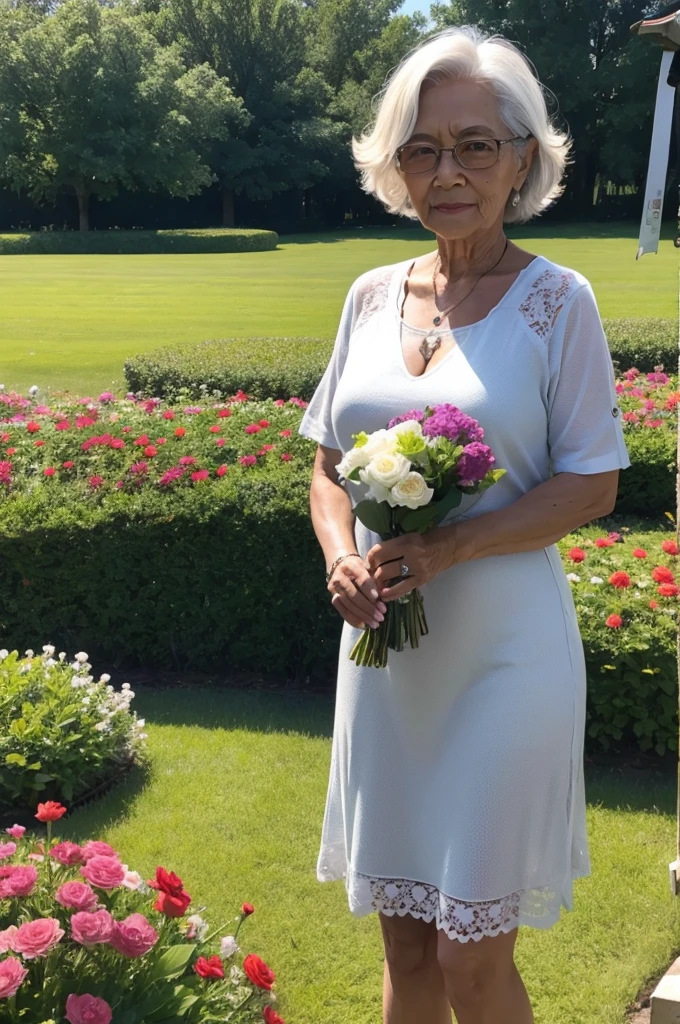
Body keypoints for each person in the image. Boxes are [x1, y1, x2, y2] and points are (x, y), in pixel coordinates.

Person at [298, 24, 630, 1024]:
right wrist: (341, 556)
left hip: (503, 661)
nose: (447, 172)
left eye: (474, 145)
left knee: (469, 958)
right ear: (394, 165)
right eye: (422, 148)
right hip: (387, 664)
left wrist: (451, 544)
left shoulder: (556, 302)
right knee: (405, 949)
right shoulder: (368, 296)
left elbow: (593, 483)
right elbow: (327, 461)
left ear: (521, 158)